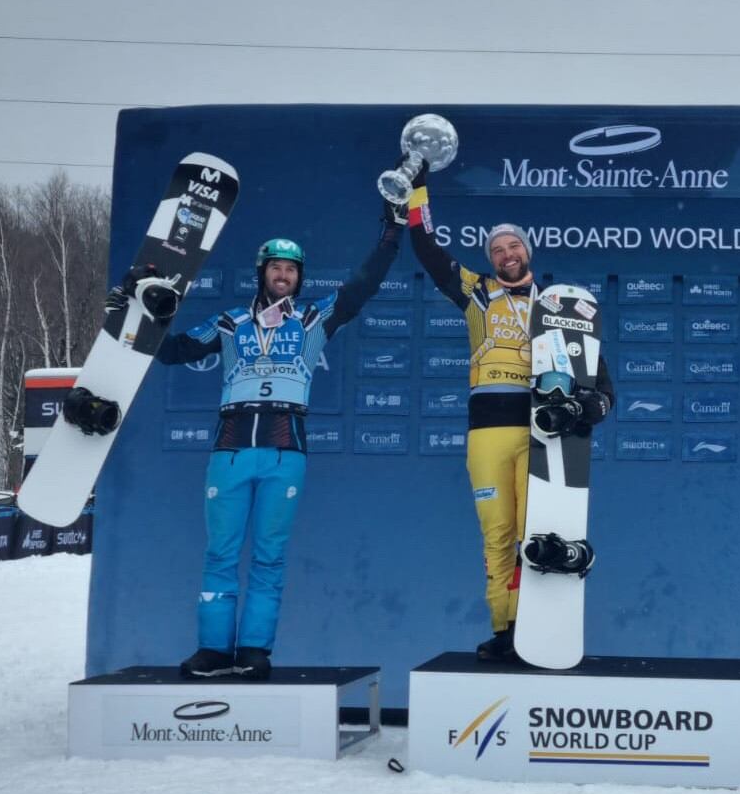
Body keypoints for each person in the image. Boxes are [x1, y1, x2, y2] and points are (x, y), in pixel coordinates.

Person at [108, 194, 407, 680]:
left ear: (299, 278)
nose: (283, 275)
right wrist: (135, 309)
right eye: (276, 268)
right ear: (262, 272)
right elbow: (174, 351)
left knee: (269, 556)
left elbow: (362, 286)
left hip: (285, 450)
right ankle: (212, 649)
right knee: (220, 554)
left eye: (291, 269)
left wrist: (392, 232)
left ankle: (254, 650)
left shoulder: (313, 320)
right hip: (230, 449)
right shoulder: (231, 322)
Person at [404, 162, 614, 661]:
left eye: (513, 246)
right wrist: (417, 188)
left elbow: (596, 373)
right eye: (496, 249)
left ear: (528, 252)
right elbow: (426, 248)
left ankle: (533, 626)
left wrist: (597, 404)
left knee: (532, 533)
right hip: (486, 432)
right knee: (496, 534)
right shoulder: (475, 291)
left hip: (538, 430)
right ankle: (505, 628)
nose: (506, 254)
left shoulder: (557, 305)